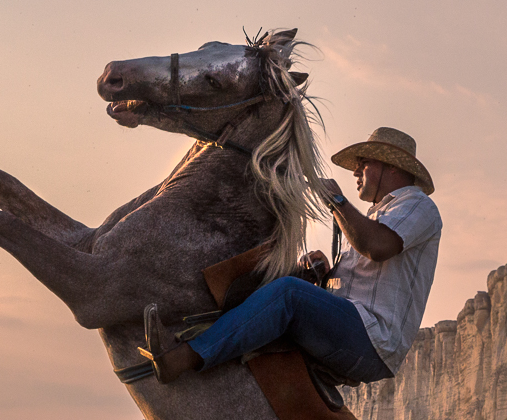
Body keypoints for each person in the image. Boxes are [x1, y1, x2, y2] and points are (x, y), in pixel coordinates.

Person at [142, 126, 441, 384]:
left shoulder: (416, 204)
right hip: (355, 328)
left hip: (372, 339)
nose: (355, 171)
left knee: (288, 295)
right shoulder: (379, 215)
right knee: (276, 281)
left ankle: (185, 356)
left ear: (391, 167)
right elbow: (366, 270)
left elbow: (376, 247)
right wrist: (325, 275)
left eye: (363, 163)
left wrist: (337, 201)